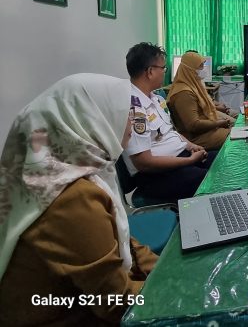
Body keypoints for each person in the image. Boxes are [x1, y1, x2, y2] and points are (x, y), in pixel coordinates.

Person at [0, 73, 158, 326]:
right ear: (94, 120)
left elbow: (122, 239)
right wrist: (178, 288)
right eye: (125, 113)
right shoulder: (71, 198)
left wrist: (162, 270)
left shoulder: (79, 170)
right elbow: (116, 304)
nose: (131, 122)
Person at [123, 42, 217, 202]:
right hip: (157, 176)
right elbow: (143, 163)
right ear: (150, 72)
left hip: (180, 159)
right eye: (163, 68)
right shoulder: (134, 108)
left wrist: (191, 146)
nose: (165, 72)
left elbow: (171, 132)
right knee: (215, 180)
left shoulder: (156, 98)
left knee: (223, 160)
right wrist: (188, 161)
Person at [167, 51, 232, 150]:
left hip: (205, 128)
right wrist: (219, 123)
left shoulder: (192, 83)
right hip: (196, 137)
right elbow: (194, 125)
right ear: (190, 69)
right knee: (236, 136)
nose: (203, 69)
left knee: (237, 128)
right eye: (200, 66)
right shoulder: (183, 93)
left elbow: (204, 104)